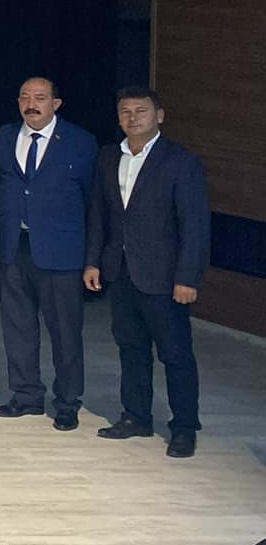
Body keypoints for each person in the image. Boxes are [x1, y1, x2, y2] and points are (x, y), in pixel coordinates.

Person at [89, 87, 210, 459]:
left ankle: (184, 427)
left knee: (175, 354)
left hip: (164, 276)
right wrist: (93, 261)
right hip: (121, 271)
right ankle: (136, 416)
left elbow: (195, 225)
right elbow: (100, 214)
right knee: (131, 348)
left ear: (159, 115)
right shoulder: (109, 156)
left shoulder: (180, 161)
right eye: (125, 111)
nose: (132, 117)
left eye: (140, 110)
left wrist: (187, 278)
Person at [0, 76, 100, 430]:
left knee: (65, 332)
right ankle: (26, 396)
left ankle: (67, 402)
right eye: (24, 97)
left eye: (39, 97)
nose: (31, 104)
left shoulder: (80, 142)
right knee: (17, 328)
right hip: (14, 247)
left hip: (61, 252)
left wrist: (91, 258)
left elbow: (93, 202)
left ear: (56, 104)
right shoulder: (3, 137)